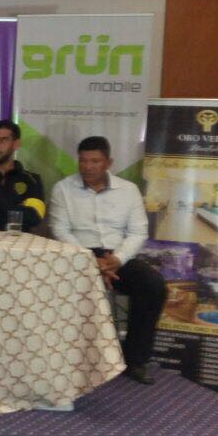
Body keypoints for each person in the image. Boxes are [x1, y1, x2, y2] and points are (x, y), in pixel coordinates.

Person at [49, 136, 167, 385]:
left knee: (153, 285)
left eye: (95, 161)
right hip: (77, 256)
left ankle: (135, 359)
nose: (88, 167)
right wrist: (90, 261)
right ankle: (63, 358)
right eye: (83, 161)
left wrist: (117, 260)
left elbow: (138, 233)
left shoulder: (128, 190)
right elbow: (60, 230)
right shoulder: (63, 189)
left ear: (108, 163)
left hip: (117, 257)